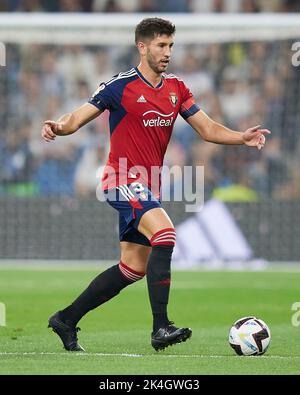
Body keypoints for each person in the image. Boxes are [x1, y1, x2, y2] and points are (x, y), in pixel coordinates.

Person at [42, 17, 270, 352]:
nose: (167, 52)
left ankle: (65, 319)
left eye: (171, 46)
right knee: (165, 234)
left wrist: (242, 137)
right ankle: (160, 327)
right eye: (161, 45)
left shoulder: (177, 89)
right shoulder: (119, 87)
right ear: (143, 46)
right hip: (119, 178)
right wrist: (58, 128)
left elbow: (206, 129)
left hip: (147, 186)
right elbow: (77, 116)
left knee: (133, 267)